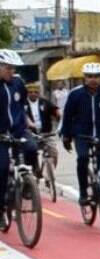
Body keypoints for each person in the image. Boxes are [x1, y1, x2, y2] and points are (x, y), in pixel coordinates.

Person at [0, 49, 39, 229]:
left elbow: (22, 106)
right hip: (1, 135)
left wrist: (28, 122)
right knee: (2, 167)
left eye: (13, 68)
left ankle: (28, 185)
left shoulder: (18, 84)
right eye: (8, 68)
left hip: (18, 130)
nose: (11, 72)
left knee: (31, 148)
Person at [60, 62, 100, 204]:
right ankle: (83, 192)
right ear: (84, 78)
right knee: (82, 158)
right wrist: (66, 136)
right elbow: (67, 116)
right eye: (89, 76)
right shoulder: (75, 94)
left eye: (97, 76)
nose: (93, 79)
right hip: (81, 135)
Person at [24, 82, 61, 168]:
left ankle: (50, 170)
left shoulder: (44, 102)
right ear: (27, 93)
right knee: (30, 151)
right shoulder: (23, 104)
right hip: (30, 134)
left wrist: (60, 115)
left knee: (54, 152)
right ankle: (34, 168)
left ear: (39, 93)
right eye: (31, 92)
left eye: (35, 92)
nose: (33, 94)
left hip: (46, 134)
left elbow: (55, 110)